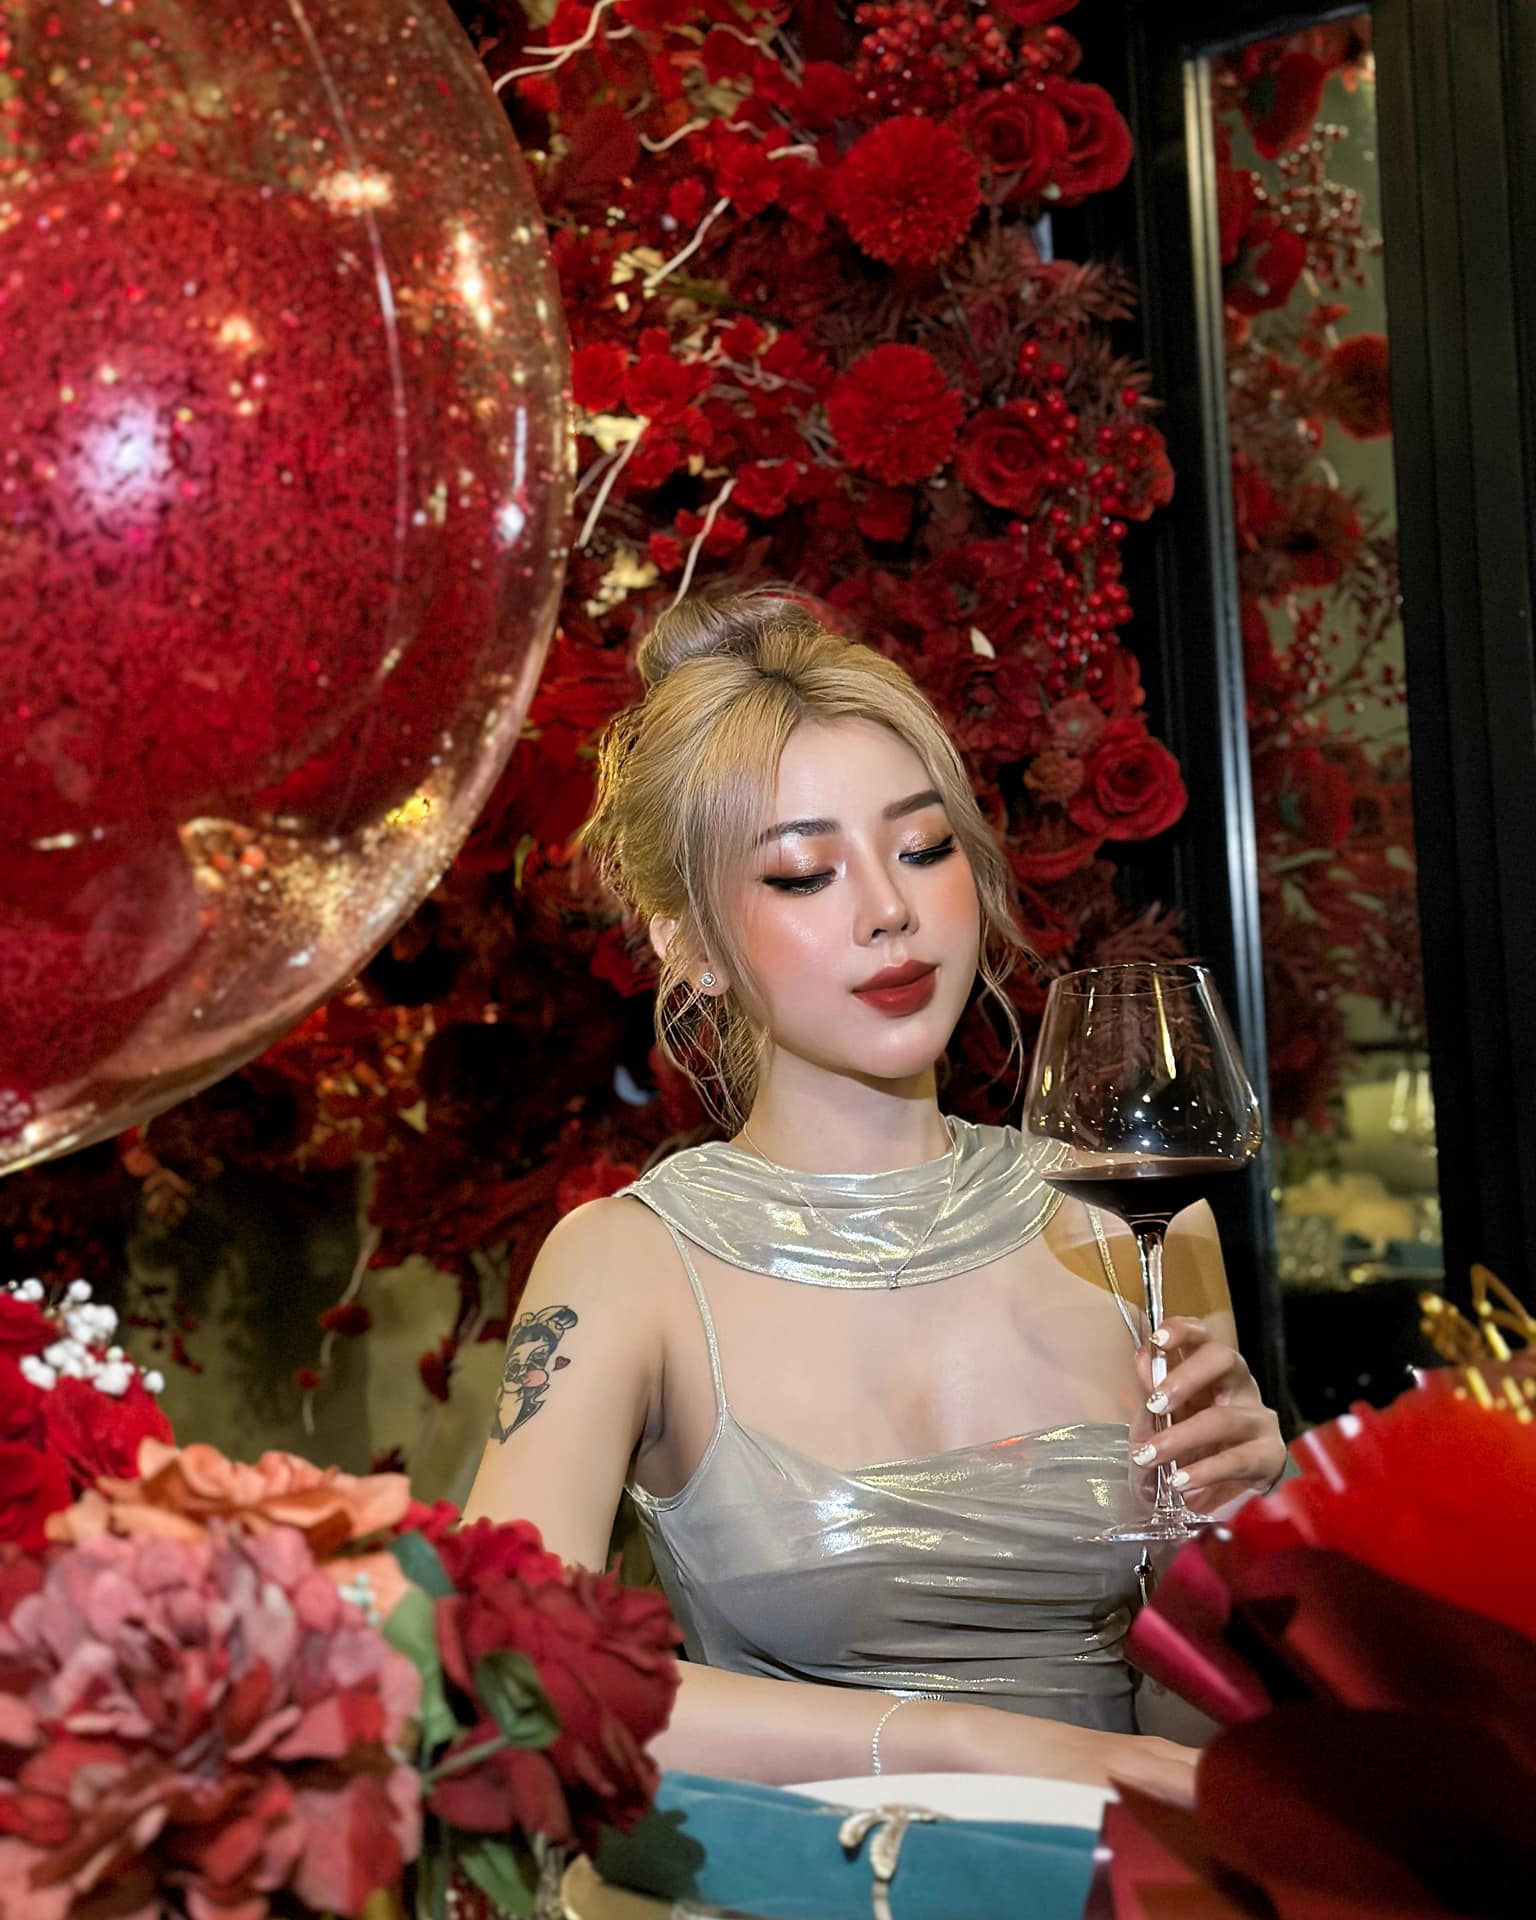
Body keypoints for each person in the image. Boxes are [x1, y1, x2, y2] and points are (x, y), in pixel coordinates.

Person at [464, 588, 1286, 1800]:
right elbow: (506, 1669)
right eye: (803, 873)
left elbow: (1202, 1747)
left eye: (923, 848)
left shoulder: (1138, 1229)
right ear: (689, 943)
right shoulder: (628, 1267)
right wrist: (963, 1740)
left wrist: (1245, 1548)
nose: (889, 911)